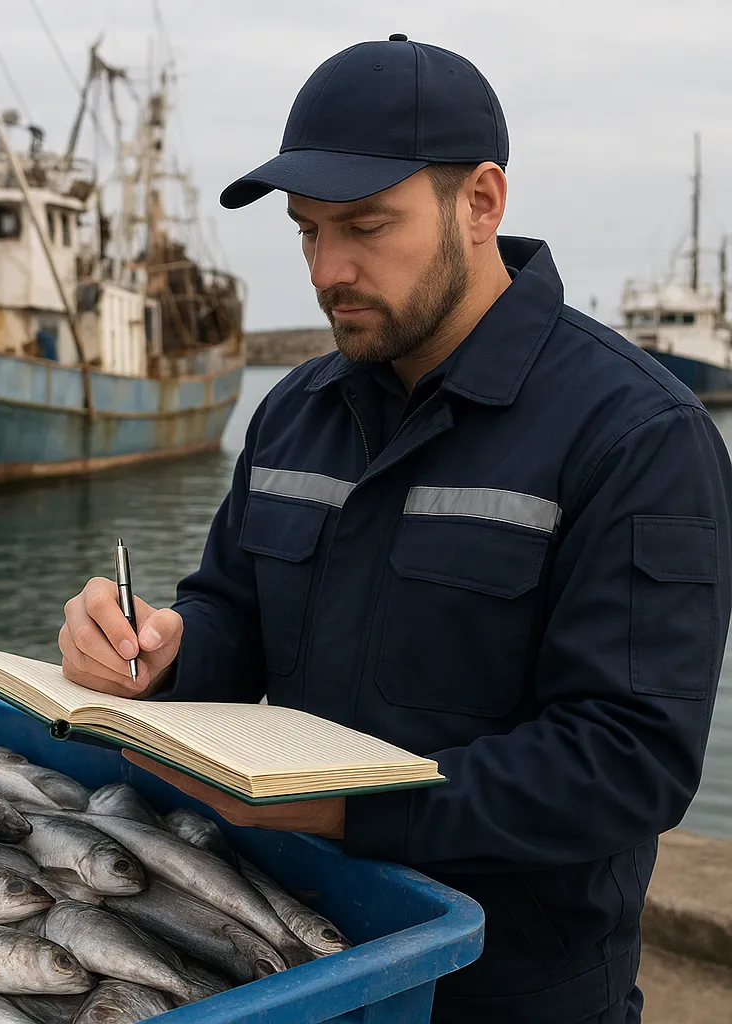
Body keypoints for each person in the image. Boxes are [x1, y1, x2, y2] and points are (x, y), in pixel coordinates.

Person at [59, 34, 732, 1024]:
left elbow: (626, 760)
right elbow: (232, 608)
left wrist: (344, 806)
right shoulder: (292, 410)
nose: (329, 269)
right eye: (306, 231)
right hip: (286, 954)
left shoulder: (636, 434)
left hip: (507, 989)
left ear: (482, 203)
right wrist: (160, 649)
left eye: (367, 225)